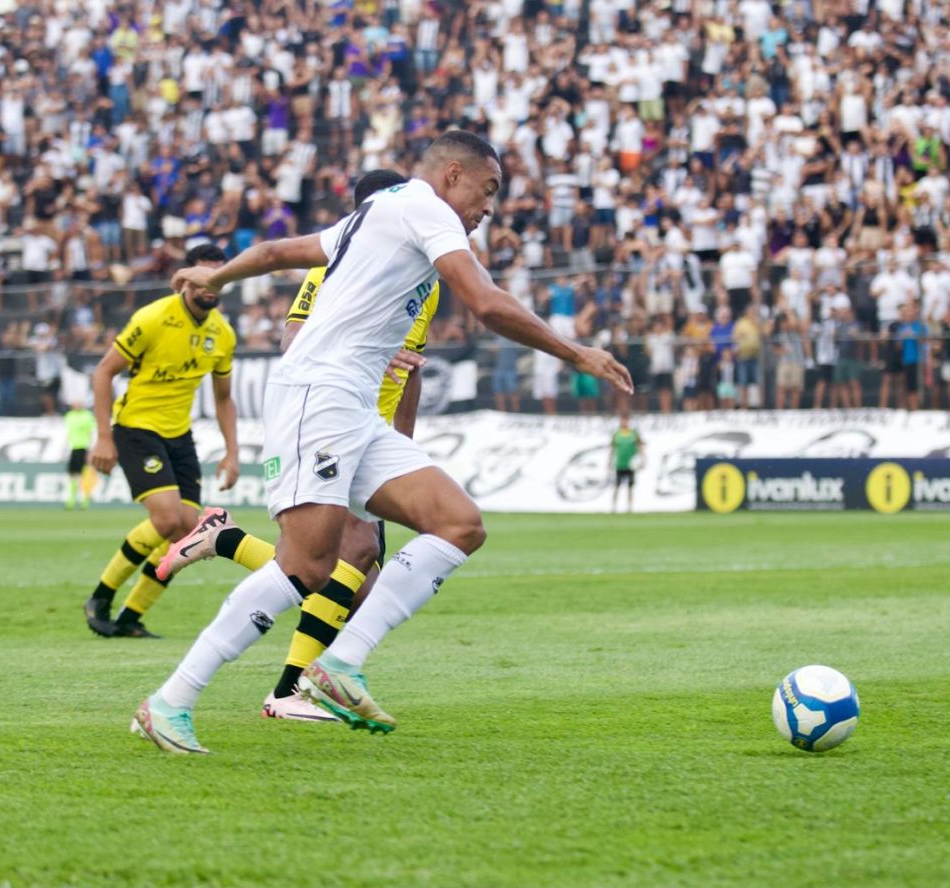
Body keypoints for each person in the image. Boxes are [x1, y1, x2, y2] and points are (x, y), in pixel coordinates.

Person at [133, 131, 632, 753]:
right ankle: (170, 700)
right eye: (488, 189)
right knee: (308, 565)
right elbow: (485, 303)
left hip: (356, 409)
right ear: (453, 174)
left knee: (458, 523)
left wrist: (219, 274)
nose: (489, 208)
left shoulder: (378, 212)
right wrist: (575, 352)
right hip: (316, 395)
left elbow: (274, 252)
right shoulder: (423, 206)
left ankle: (337, 667)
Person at [156, 170, 435, 723]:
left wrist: (403, 442)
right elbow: (291, 337)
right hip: (326, 420)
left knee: (358, 578)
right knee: (338, 560)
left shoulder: (424, 271)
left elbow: (415, 364)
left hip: (371, 433)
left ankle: (293, 672)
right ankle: (291, 688)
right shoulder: (336, 260)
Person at [82, 244, 239, 639]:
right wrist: (103, 436)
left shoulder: (223, 335)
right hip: (136, 427)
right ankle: (101, 597)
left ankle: (131, 616)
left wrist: (232, 452)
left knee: (190, 535)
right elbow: (103, 373)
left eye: (219, 277)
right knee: (169, 519)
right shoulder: (153, 318)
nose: (211, 285)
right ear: (187, 280)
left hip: (179, 436)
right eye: (204, 276)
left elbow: (223, 398)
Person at [63, 401, 96, 510]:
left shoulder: (87, 416)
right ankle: (71, 500)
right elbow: (67, 433)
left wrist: (90, 450)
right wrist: (64, 448)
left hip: (84, 447)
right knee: (72, 474)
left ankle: (85, 501)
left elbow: (90, 432)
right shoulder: (69, 416)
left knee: (84, 475)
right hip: (73, 448)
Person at [609, 414, 643, 513]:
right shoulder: (616, 434)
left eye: (626, 420)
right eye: (622, 421)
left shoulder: (633, 433)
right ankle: (613, 507)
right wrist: (609, 461)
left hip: (631, 464)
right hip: (620, 464)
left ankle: (629, 507)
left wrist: (641, 459)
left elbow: (639, 446)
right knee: (617, 486)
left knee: (630, 487)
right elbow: (612, 448)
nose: (624, 423)